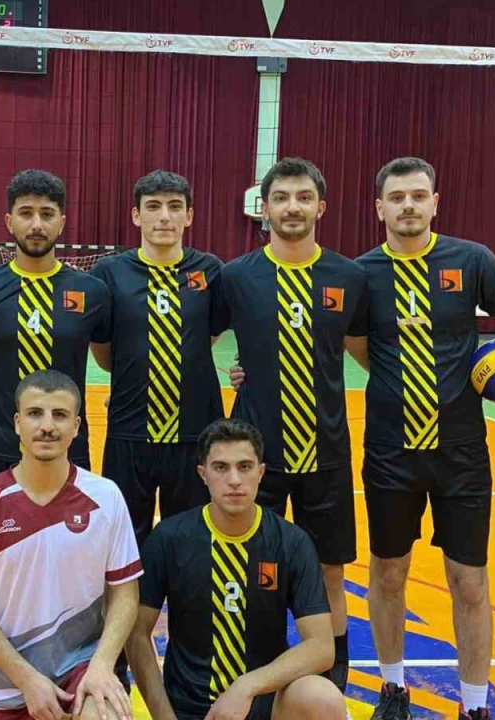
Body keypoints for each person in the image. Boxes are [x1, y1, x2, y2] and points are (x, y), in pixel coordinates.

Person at [353, 157, 495, 720]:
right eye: (397, 197)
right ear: (379, 208)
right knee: (388, 573)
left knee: (468, 581)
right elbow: (358, 348)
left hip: (463, 453)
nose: (408, 205)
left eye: (418, 195)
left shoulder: (471, 260)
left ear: (435, 202)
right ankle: (392, 691)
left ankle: (474, 706)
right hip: (391, 451)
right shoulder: (362, 273)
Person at [0, 169, 113, 717]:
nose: (37, 223)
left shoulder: (90, 292)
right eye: (26, 213)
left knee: (75, 572)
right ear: (9, 221)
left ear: (62, 221)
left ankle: (81, 673)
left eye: (47, 213)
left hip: (68, 454)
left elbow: (110, 358)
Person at [213, 157, 370, 693]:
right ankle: (251, 673)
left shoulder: (348, 276)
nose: (293, 207)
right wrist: (238, 371)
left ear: (321, 206)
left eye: (304, 197)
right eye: (281, 198)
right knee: (251, 565)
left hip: (326, 448)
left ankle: (332, 679)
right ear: (265, 208)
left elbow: (366, 352)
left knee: (329, 569)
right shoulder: (237, 276)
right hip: (255, 454)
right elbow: (197, 341)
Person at [0, 369, 141, 720]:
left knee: (104, 713)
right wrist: (26, 678)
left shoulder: (106, 496)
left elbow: (125, 594)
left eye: (59, 415)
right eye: (35, 413)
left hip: (83, 668)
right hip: (10, 682)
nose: (47, 426)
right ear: (17, 423)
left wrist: (102, 665)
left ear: (76, 426)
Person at [127, 418, 348, 720]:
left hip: (263, 703)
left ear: (261, 472)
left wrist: (247, 686)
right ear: (203, 474)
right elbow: (137, 634)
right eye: (221, 467)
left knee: (322, 698)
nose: (234, 480)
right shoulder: (169, 538)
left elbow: (322, 647)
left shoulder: (290, 542)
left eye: (245, 467)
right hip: (189, 708)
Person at [89, 170, 224, 545]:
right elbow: (104, 351)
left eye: (174, 207)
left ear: (189, 215)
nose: (164, 216)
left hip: (194, 430)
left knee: (189, 538)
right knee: (125, 541)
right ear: (136, 215)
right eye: (153, 206)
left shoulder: (210, 270)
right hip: (129, 429)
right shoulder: (109, 272)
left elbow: (207, 337)